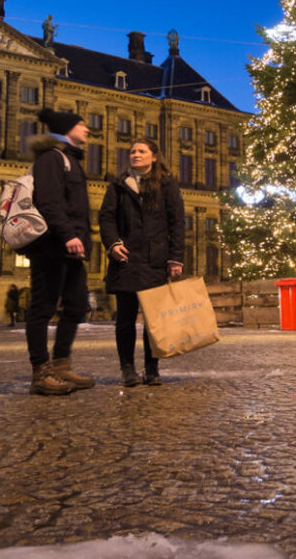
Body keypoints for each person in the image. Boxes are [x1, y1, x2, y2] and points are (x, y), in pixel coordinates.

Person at [98, 138, 185, 387]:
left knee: (154, 320)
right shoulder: (118, 184)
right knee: (125, 318)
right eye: (133, 151)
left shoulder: (167, 184)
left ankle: (152, 368)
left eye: (141, 151)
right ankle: (127, 369)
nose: (136, 154)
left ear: (154, 157)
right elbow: (106, 217)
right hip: (125, 258)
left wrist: (175, 258)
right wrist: (113, 243)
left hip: (154, 260)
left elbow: (177, 221)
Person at [22, 108, 95, 395]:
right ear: (67, 128)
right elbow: (51, 203)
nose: (87, 129)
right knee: (42, 307)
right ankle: (40, 373)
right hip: (53, 246)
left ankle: (62, 365)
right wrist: (68, 235)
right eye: (81, 124)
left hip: (70, 247)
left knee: (76, 305)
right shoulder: (52, 158)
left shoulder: (68, 158)